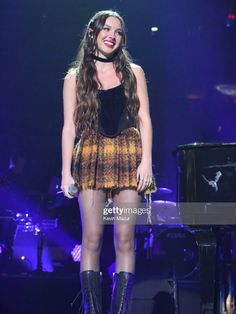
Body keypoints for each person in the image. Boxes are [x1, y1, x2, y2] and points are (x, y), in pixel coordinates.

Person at [61, 10, 156, 314]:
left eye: (117, 31)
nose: (112, 35)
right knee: (92, 238)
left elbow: (144, 119)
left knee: (125, 238)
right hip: (91, 156)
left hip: (129, 156)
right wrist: (65, 171)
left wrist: (147, 162)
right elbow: (69, 127)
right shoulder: (75, 76)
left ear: (122, 38)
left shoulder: (134, 72)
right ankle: (93, 310)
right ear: (93, 33)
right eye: (106, 29)